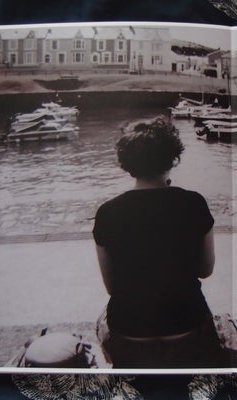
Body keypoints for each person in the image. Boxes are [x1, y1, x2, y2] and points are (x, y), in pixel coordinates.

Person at [92, 116, 227, 368]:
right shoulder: (194, 203)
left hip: (129, 329)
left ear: (127, 162)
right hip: (186, 324)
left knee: (101, 321)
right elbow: (205, 270)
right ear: (172, 158)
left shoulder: (107, 212)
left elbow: (111, 287)